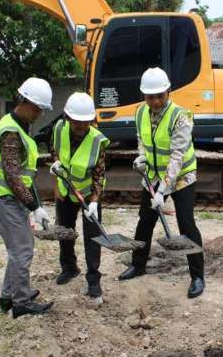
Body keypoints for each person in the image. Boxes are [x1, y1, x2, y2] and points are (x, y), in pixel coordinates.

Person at [118, 67, 205, 299]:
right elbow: (142, 141)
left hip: (182, 177)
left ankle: (197, 276)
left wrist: (163, 191)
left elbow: (177, 156)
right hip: (155, 176)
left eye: (160, 96)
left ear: (168, 92)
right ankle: (138, 265)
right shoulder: (139, 113)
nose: (155, 101)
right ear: (143, 96)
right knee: (145, 221)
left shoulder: (181, 117)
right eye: (150, 97)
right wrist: (142, 157)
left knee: (187, 224)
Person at [0, 77, 55, 318]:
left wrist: (36, 204)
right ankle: (20, 303)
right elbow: (12, 176)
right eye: (37, 109)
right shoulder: (11, 132)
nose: (39, 114)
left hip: (7, 196)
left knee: (20, 247)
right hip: (2, 196)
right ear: (25, 102)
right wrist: (34, 206)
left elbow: (23, 175)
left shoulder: (17, 125)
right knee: (22, 250)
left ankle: (8, 295)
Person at [49, 92, 109, 298]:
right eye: (77, 123)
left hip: (87, 194)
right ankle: (69, 268)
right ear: (67, 118)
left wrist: (94, 201)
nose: (82, 127)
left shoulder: (97, 140)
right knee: (64, 232)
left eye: (86, 123)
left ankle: (93, 279)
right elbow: (54, 150)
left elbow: (99, 175)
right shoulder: (58, 128)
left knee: (93, 238)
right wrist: (55, 161)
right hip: (65, 191)